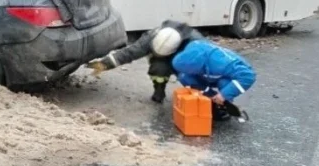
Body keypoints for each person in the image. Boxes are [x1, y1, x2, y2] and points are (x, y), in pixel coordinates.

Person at [88, 21, 256, 122]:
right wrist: (104, 64)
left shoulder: (194, 41)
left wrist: (221, 93)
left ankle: (213, 103)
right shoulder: (151, 39)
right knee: (159, 69)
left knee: (207, 81)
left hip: (185, 59)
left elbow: (207, 62)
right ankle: (159, 92)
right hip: (172, 58)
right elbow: (129, 52)